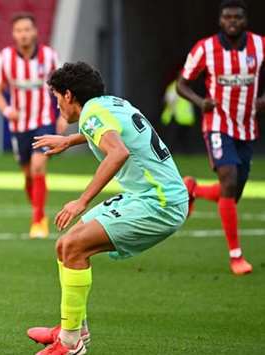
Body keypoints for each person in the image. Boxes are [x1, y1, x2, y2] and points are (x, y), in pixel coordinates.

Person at [27, 62, 188, 355]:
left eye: (56, 97)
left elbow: (118, 152)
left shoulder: (90, 114)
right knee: (65, 245)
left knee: (75, 246)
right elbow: (116, 133)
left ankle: (70, 344)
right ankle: (72, 328)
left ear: (68, 95)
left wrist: (82, 200)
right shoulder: (110, 104)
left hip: (159, 202)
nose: (57, 104)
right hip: (145, 195)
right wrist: (70, 140)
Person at [177, 0, 265, 275]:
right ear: (220, 21)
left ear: (245, 20)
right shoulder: (205, 48)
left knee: (233, 192)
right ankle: (236, 256)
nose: (232, 22)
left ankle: (193, 189)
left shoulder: (260, 45)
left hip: (246, 127)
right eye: (227, 17)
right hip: (217, 124)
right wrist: (200, 101)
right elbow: (182, 84)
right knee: (228, 179)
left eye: (237, 17)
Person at [0, 13, 65, 239]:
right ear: (14, 34)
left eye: (27, 29)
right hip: (19, 125)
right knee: (28, 175)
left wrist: (63, 116)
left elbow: (65, 86)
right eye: (18, 30)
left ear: (35, 32)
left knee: (38, 166)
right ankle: (39, 214)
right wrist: (6, 110)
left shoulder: (50, 56)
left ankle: (37, 221)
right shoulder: (5, 58)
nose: (23, 34)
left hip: (43, 121)